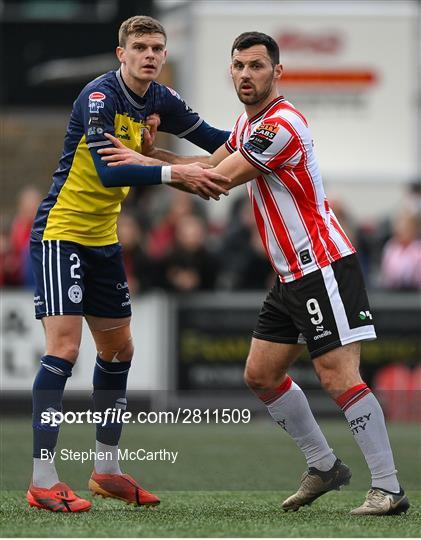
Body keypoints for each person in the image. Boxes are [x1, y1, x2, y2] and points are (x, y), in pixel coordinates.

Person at [100, 31, 409, 516]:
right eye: (239, 66)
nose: (246, 74)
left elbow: (220, 180)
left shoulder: (281, 125)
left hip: (322, 265)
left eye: (257, 66)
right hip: (289, 276)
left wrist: (140, 162)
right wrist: (154, 155)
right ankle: (324, 466)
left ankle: (388, 488)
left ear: (277, 72)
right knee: (261, 375)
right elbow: (206, 168)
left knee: (337, 375)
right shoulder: (249, 128)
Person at [27, 15, 230, 513]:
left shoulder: (161, 99)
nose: (150, 55)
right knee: (65, 348)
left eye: (157, 47)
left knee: (119, 352)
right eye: (140, 46)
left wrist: (266, 136)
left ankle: (106, 470)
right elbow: (104, 166)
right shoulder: (99, 96)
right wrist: (174, 172)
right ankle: (41, 479)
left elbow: (216, 142)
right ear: (121, 53)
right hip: (62, 234)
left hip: (102, 240)